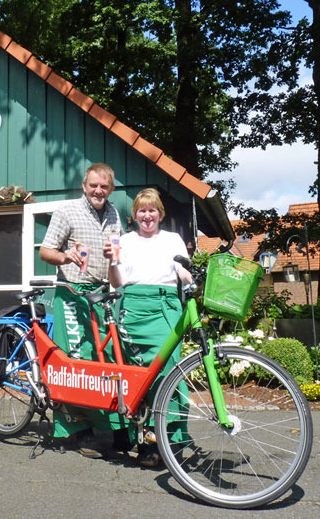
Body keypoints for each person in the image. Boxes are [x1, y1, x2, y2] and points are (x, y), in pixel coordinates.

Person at [105, 188, 192, 467]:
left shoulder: (172, 239)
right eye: (141, 210)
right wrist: (112, 261)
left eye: (152, 210)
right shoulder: (124, 240)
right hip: (132, 306)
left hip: (166, 307)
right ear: (135, 215)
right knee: (136, 372)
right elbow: (117, 281)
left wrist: (188, 277)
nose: (147, 215)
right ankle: (139, 439)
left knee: (169, 370)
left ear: (160, 213)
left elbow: (181, 270)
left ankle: (170, 438)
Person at [39, 163, 123, 450]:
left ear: (110, 189)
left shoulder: (114, 214)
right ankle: (72, 429)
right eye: (93, 185)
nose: (98, 190)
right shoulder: (66, 211)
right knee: (73, 360)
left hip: (101, 293)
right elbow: (45, 251)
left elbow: (117, 253)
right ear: (84, 186)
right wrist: (66, 257)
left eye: (104, 186)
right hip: (72, 292)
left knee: (105, 359)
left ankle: (103, 423)